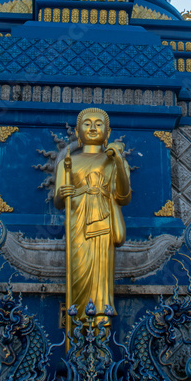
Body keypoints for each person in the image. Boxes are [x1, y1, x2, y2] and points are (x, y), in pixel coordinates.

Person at [54, 108, 131, 322]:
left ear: (108, 132)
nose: (93, 128)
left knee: (100, 285)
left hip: (102, 226)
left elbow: (123, 197)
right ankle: (77, 331)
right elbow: (58, 202)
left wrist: (117, 161)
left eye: (99, 124)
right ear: (78, 132)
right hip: (77, 227)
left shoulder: (115, 161)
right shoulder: (67, 163)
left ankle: (100, 331)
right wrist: (63, 193)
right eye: (87, 124)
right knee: (78, 278)